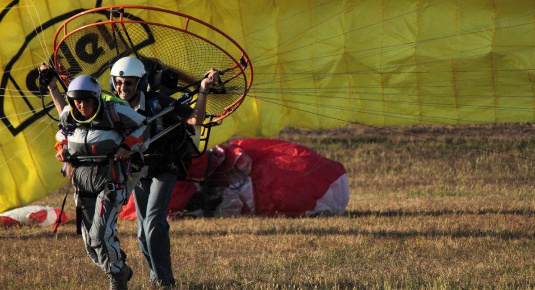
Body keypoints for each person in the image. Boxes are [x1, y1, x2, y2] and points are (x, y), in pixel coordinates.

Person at [109, 56, 218, 287]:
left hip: (165, 167)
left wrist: (203, 90)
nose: (122, 88)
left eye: (128, 83)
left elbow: (195, 119)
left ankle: (165, 281)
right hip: (140, 171)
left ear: (139, 83)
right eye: (118, 83)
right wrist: (51, 87)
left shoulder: (159, 103)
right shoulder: (112, 108)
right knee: (141, 233)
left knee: (153, 225)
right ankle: (156, 275)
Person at [54, 75, 149, 290]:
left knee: (101, 235)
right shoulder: (69, 114)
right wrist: (61, 148)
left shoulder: (115, 111)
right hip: (82, 182)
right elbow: (62, 133)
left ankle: (116, 276)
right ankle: (120, 268)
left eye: (87, 101)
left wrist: (127, 145)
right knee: (90, 244)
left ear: (96, 98)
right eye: (77, 101)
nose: (82, 106)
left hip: (111, 180)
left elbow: (143, 128)